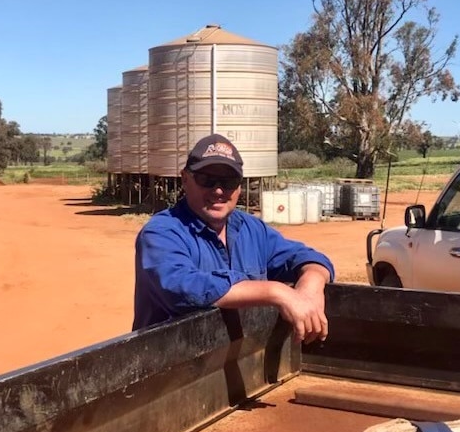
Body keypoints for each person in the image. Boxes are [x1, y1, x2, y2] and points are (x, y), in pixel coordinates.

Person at [133, 133, 335, 343]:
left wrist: (311, 288)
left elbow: (307, 257)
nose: (218, 190)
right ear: (185, 179)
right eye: (206, 179)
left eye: (229, 181)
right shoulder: (162, 232)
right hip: (171, 366)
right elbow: (182, 286)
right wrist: (277, 292)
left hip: (240, 362)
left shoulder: (253, 229)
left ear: (239, 186)